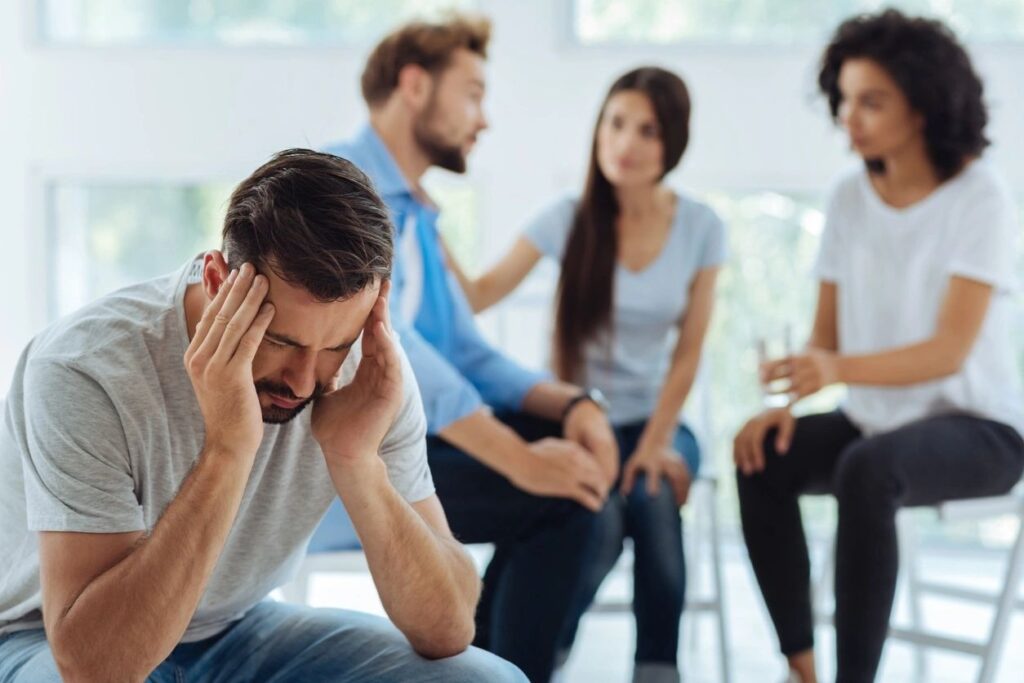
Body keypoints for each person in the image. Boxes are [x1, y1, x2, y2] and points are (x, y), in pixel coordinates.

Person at [0, 149, 525, 683]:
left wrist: (357, 460)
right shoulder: (84, 369)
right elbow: (95, 667)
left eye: (333, 346)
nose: (302, 380)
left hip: (235, 629)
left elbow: (449, 628)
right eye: (280, 340)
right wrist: (228, 449)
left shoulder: (368, 369)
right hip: (39, 641)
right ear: (217, 279)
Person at [318, 14, 619, 682]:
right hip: (349, 456)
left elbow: (468, 354)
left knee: (587, 477)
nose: (482, 119)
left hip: (417, 442)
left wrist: (574, 405)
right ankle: (506, 668)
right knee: (567, 499)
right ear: (416, 84)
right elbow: (385, 343)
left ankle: (497, 663)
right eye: (474, 93)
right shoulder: (338, 190)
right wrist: (516, 458)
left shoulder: (417, 217)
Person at [732, 11, 1024, 683]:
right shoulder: (847, 196)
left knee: (866, 467)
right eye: (844, 99)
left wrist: (835, 367)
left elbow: (949, 350)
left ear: (921, 106)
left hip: (984, 432)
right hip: (876, 422)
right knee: (757, 457)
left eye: (871, 101)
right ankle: (802, 668)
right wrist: (789, 398)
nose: (848, 117)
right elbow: (826, 339)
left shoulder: (981, 196)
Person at [448, 66, 724, 683]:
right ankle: (536, 642)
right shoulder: (568, 218)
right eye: (616, 123)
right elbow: (478, 293)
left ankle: (657, 667)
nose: (625, 143)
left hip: (658, 421)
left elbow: (690, 351)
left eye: (647, 131)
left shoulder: (702, 227)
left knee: (650, 499)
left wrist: (653, 445)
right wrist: (422, 223)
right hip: (585, 417)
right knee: (591, 511)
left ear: (672, 143)